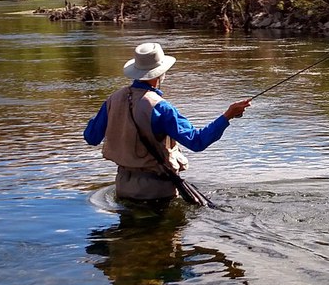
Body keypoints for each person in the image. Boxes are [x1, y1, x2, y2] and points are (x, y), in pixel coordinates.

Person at [84, 42, 251, 202]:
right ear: (160, 74)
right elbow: (197, 142)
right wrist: (227, 116)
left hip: (123, 187)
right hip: (157, 191)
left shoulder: (112, 100)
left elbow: (91, 137)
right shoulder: (160, 107)